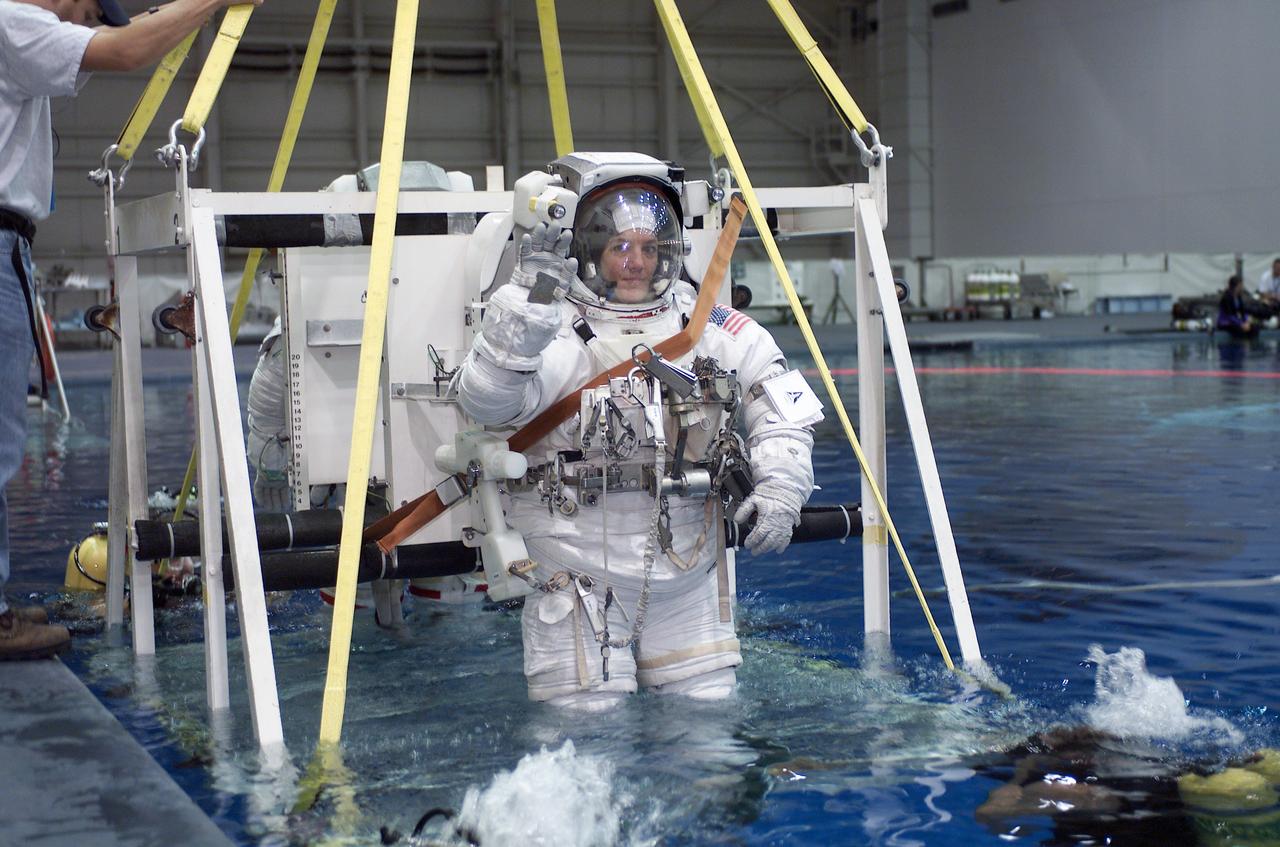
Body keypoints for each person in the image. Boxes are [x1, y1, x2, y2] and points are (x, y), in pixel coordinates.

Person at [454, 153, 819, 709]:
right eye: (620, 247)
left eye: (649, 249)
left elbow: (781, 406)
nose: (636, 263)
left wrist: (782, 487)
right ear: (590, 251)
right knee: (590, 740)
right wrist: (525, 313)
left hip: (686, 577)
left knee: (708, 733)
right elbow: (488, 403)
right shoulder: (553, 332)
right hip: (577, 578)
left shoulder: (705, 324)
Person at [0, 0, 259, 660]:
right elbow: (127, 51)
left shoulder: (21, 45)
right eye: (87, 14)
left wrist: (163, 16)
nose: (86, 32)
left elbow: (121, 44)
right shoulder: (10, 19)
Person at [1216, 274, 1259, 339]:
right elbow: (1230, 316)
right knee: (1240, 330)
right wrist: (1241, 324)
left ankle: (1249, 346)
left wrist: (1246, 321)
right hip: (1225, 322)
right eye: (1240, 285)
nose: (1242, 287)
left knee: (1254, 328)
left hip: (1236, 321)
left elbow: (1243, 311)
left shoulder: (1238, 297)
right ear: (1235, 287)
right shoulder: (1226, 298)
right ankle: (1240, 346)